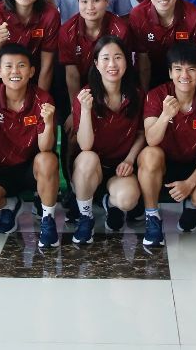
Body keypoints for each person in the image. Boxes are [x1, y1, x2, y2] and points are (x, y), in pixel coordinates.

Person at [0, 44, 61, 248]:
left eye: (21, 66)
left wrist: (48, 124)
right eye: (8, 66)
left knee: (47, 160)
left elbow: (46, 148)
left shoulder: (43, 99)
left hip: (31, 168)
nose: (15, 72)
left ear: (31, 71)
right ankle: (10, 204)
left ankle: (48, 219)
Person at [138, 43, 196, 246]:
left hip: (195, 166)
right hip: (163, 164)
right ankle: (152, 217)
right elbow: (151, 140)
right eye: (178, 69)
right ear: (170, 73)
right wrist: (165, 115)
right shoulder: (156, 96)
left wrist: (190, 183)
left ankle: (191, 206)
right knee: (150, 154)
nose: (184, 75)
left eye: (191, 69)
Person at [70, 36, 144, 243]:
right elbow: (85, 145)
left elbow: (141, 134)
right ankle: (85, 216)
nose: (112, 64)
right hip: (90, 168)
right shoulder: (85, 95)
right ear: (96, 63)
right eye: (105, 58)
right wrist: (86, 110)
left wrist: (129, 159)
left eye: (118, 57)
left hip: (120, 167)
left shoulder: (136, 94)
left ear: (127, 61)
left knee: (128, 200)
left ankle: (109, 203)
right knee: (88, 158)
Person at [128, 0, 196, 90]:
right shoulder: (138, 15)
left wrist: (193, 97)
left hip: (185, 75)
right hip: (152, 74)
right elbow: (143, 62)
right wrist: (145, 95)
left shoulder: (193, 15)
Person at [59, 0, 132, 111]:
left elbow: (122, 69)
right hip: (80, 88)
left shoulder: (120, 30)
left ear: (107, 1)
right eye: (84, 1)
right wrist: (75, 109)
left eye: (96, 0)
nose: (90, 7)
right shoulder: (67, 31)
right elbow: (72, 75)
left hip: (113, 83)